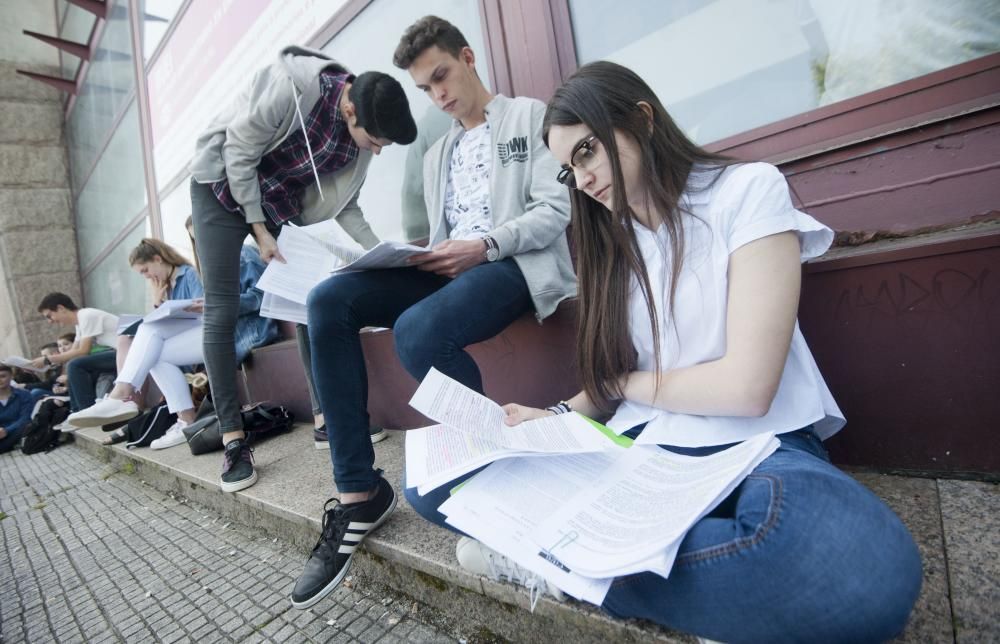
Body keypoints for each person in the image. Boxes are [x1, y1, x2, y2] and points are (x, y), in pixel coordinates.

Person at [404, 61, 923, 641]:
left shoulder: (747, 191)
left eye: (588, 152)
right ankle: (684, 581)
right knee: (433, 485)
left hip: (758, 445)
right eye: (569, 171)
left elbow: (748, 388)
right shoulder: (609, 247)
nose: (584, 179)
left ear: (642, 120)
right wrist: (548, 418)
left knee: (861, 570)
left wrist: (623, 387)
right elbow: (613, 383)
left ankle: (557, 564)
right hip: (638, 447)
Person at [289, 16, 575, 610]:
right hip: (446, 270)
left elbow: (555, 209)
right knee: (327, 300)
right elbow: (431, 235)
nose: (437, 95)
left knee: (418, 330)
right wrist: (402, 258)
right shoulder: (436, 151)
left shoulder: (528, 117)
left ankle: (495, 479)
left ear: (468, 58)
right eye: (424, 88)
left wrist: (487, 244)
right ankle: (358, 492)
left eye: (441, 76)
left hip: (509, 265)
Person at [189, 45, 417, 493]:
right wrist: (259, 229)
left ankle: (325, 418)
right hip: (220, 186)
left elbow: (347, 206)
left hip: (276, 200)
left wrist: (386, 253)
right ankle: (234, 438)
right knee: (222, 306)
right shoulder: (291, 86)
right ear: (349, 108)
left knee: (310, 298)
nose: (378, 150)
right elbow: (238, 151)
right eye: (375, 140)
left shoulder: (366, 129)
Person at [68, 231, 280, 451]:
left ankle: (122, 395)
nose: (148, 277)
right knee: (154, 350)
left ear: (158, 259)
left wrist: (199, 307)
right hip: (215, 331)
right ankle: (185, 419)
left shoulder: (194, 272)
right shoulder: (176, 282)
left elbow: (217, 308)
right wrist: (158, 303)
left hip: (233, 332)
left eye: (146, 271)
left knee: (149, 330)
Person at [33, 294, 118, 417]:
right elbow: (74, 352)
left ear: (61, 308)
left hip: (128, 353)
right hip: (119, 354)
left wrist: (47, 359)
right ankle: (76, 412)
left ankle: (86, 413)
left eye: (49, 316)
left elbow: (84, 350)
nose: (50, 321)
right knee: (73, 366)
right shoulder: (80, 322)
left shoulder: (87, 315)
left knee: (75, 365)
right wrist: (65, 375)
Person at [0, 365, 34, 453]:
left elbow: (25, 418)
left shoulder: (24, 395)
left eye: (3, 376)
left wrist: (6, 431)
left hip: (18, 431)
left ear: (11, 376)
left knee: (27, 425)